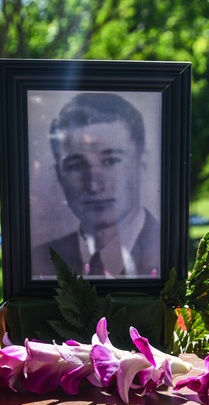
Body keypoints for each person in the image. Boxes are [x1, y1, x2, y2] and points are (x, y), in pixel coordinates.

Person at [31, 92, 160, 279]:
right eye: (76, 165)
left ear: (142, 162)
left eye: (111, 161)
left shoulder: (167, 251)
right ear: (59, 174)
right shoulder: (37, 261)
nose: (92, 184)